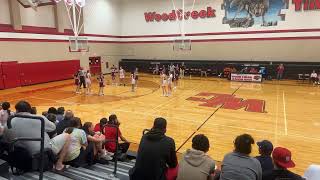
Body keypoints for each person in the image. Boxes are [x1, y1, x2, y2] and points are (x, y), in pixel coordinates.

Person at [3, 100, 71, 171]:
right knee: (67, 136)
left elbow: (7, 139)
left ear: (16, 110)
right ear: (29, 110)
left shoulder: (8, 123)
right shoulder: (39, 118)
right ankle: (59, 165)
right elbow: (53, 127)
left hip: (20, 158)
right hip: (40, 154)